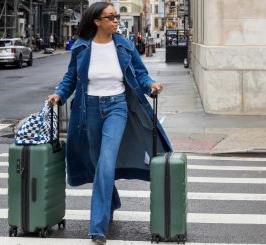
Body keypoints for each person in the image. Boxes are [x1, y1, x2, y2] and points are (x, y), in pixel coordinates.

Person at [47, 2, 171, 244]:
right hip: (88, 110)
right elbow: (71, 76)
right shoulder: (82, 47)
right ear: (97, 21)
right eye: (111, 17)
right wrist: (59, 94)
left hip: (117, 107)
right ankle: (111, 201)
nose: (116, 21)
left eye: (117, 17)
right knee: (97, 164)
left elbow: (140, 73)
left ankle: (97, 227)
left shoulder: (124, 45)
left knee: (105, 162)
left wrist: (151, 85)